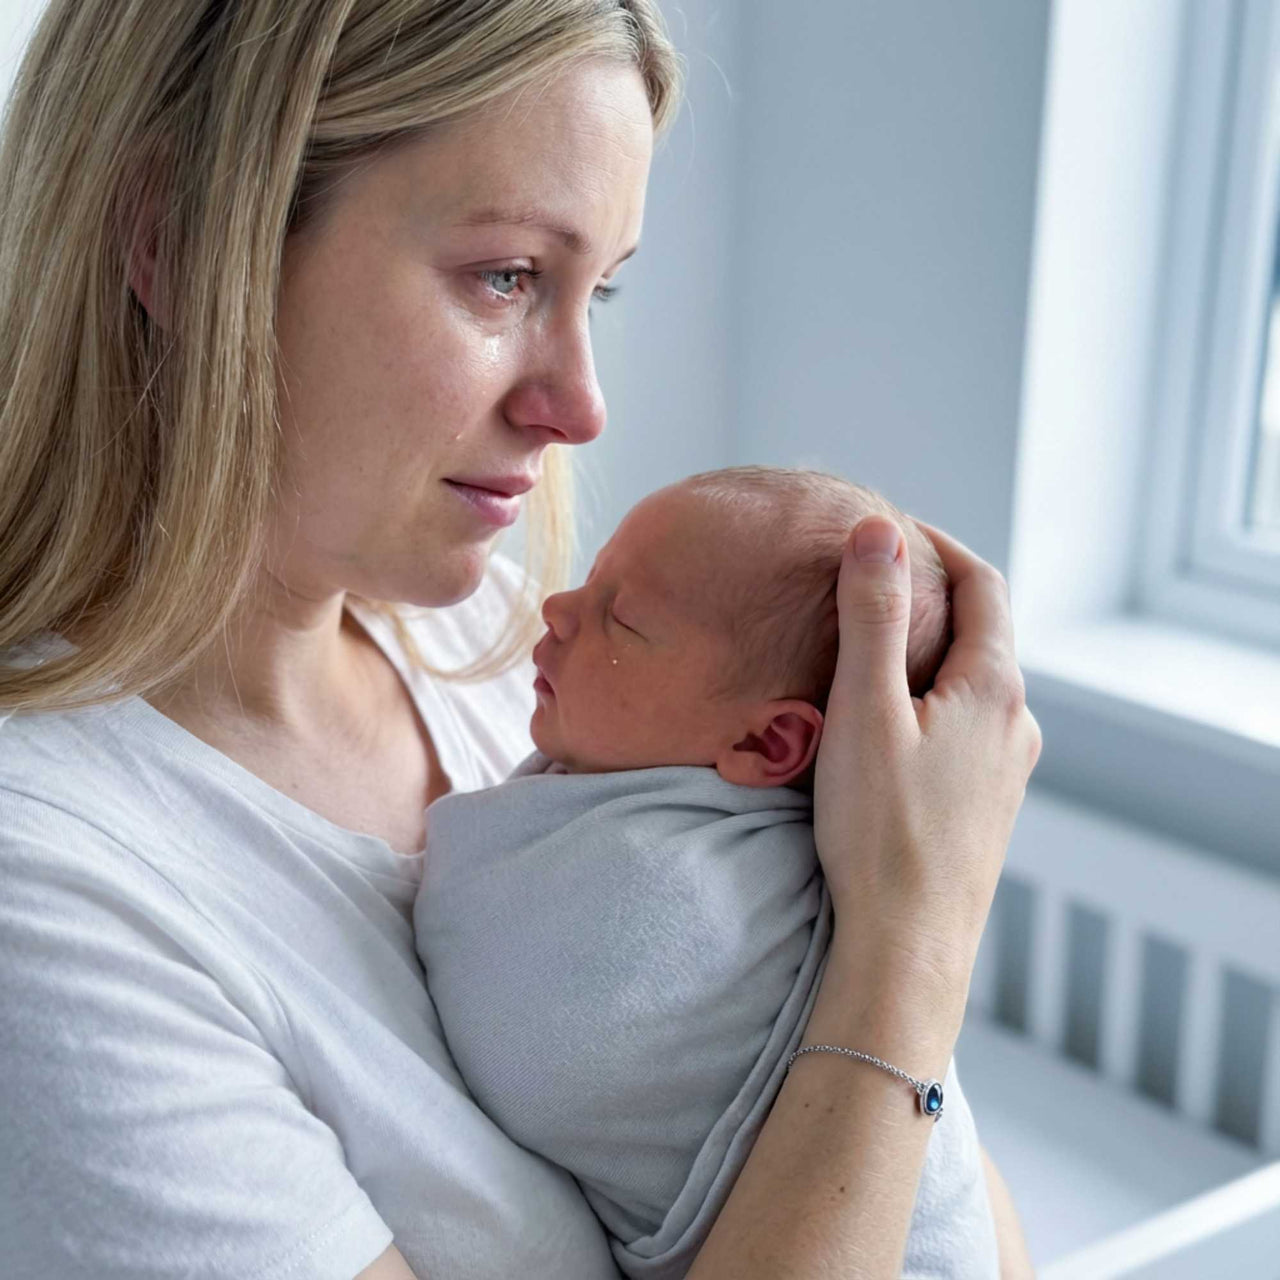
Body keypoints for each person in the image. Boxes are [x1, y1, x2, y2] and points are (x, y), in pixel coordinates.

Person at [0, 2, 1040, 1278]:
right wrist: (914, 943)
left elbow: (952, 1210)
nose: (582, 406)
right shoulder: (50, 899)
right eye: (505, 277)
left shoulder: (515, 647)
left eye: (599, 288)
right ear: (172, 240)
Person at [416, 467, 999, 1278]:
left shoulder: (678, 890)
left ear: (767, 743)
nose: (556, 608)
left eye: (621, 618)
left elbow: (535, 1052)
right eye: (591, 578)